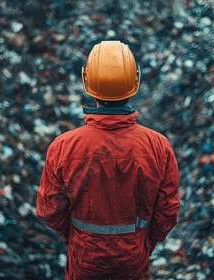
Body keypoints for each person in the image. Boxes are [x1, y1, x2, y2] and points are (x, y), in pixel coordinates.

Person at [36, 40, 180, 279]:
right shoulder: (158, 147)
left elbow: (49, 209)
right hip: (133, 260)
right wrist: (144, 245)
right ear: (135, 82)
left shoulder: (62, 147)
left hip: (85, 260)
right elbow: (168, 212)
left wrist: (76, 239)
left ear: (87, 83)